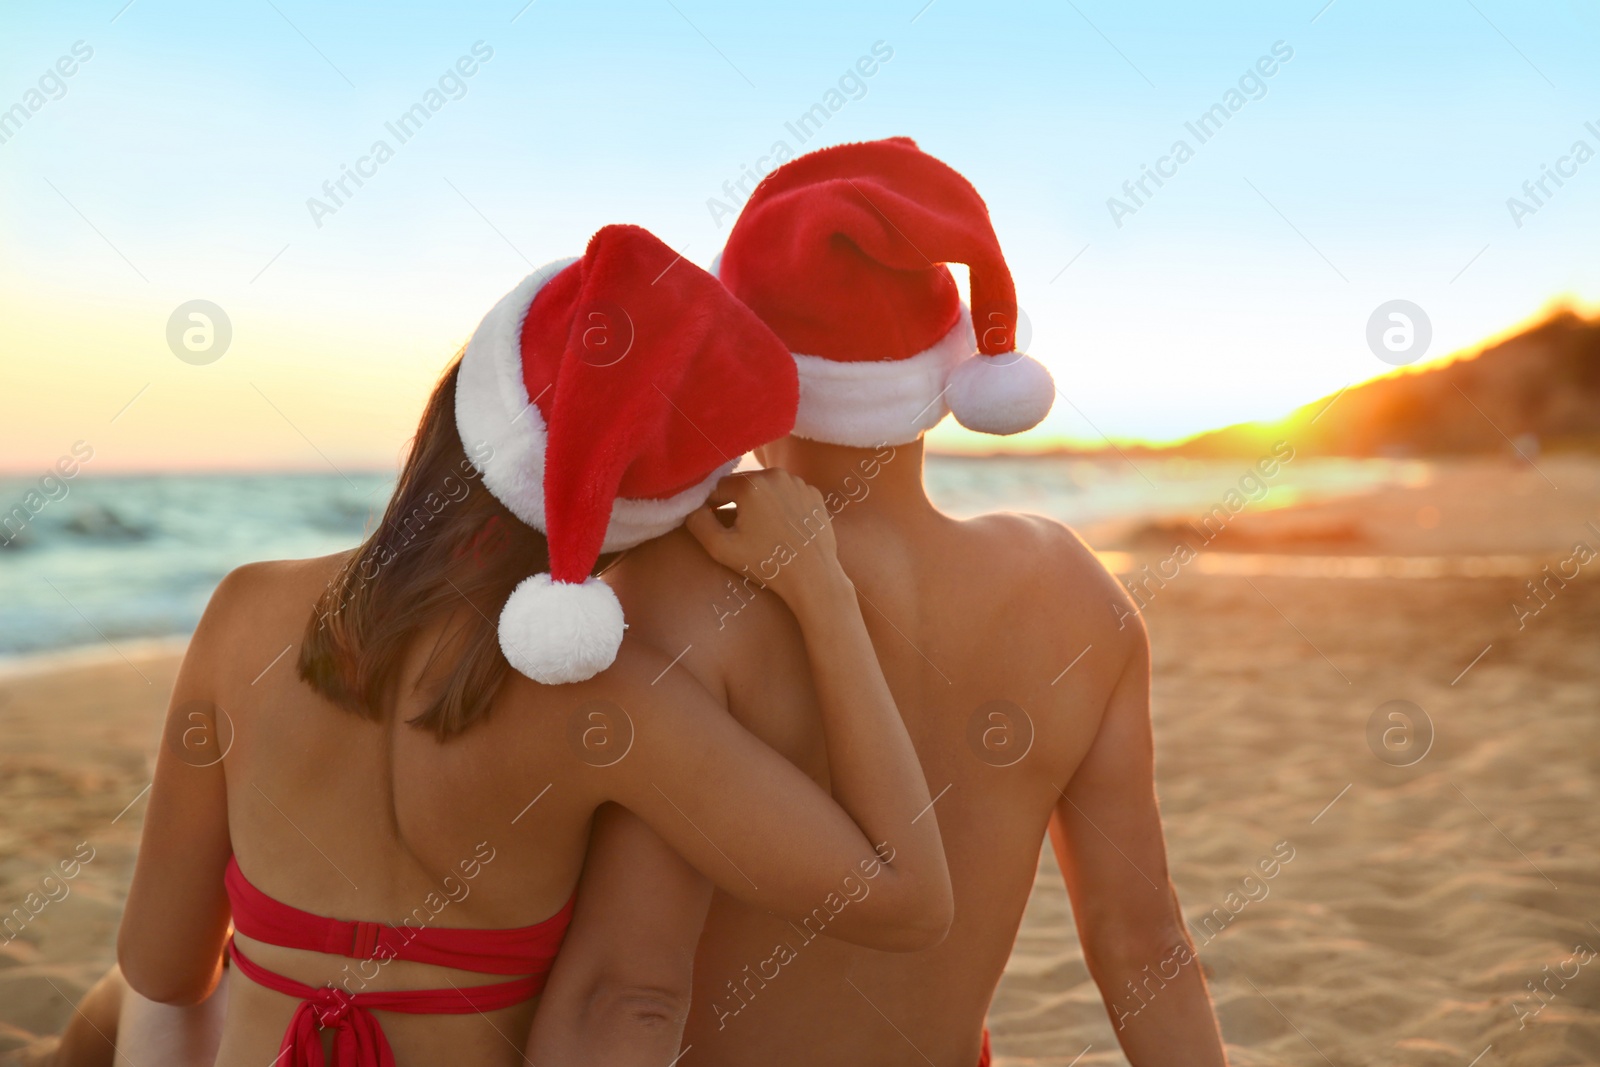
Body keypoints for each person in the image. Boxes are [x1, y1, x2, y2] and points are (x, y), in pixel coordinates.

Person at [51, 224, 953, 1067]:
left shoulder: (243, 609)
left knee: (122, 1003)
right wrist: (822, 591)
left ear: (457, 402)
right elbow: (908, 897)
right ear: (652, 509)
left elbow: (164, 968)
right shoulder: (612, 702)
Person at [529, 140, 1228, 1066]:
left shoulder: (676, 591)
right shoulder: (1073, 590)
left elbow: (627, 991)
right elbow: (1146, 947)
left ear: (741, 362)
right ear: (951, 375)